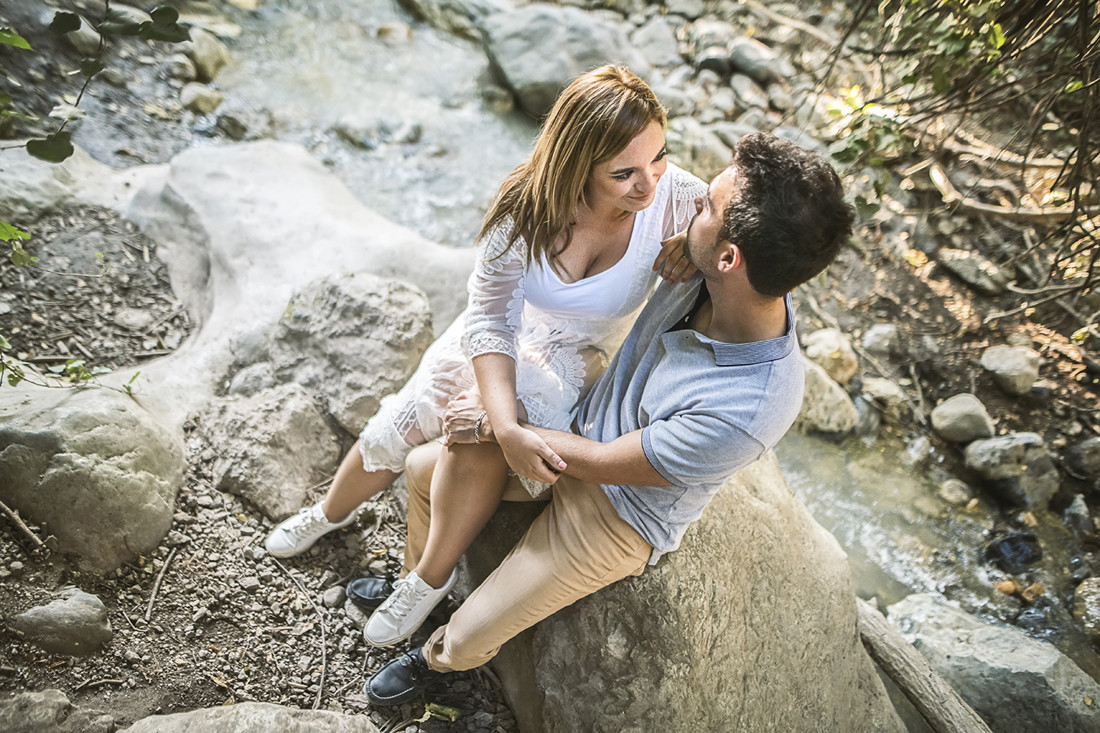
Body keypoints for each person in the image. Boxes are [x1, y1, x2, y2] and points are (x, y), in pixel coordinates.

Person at [360, 131, 856, 706]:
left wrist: (506, 426)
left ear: (730, 257)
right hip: (583, 427)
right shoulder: (716, 269)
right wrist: (680, 241)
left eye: (708, 208)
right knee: (424, 472)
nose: (693, 203)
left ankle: (437, 661)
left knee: (475, 632)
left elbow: (604, 465)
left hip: (618, 511)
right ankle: (419, 584)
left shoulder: (751, 405)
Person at [263, 66, 707, 610]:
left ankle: (428, 581)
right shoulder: (526, 207)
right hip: (502, 332)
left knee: (479, 436)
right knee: (407, 416)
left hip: (577, 359)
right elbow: (491, 316)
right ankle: (331, 512)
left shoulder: (677, 197)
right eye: (624, 173)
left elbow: (745, 231)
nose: (650, 182)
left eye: (659, 156)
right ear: (576, 165)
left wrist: (698, 240)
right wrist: (501, 419)